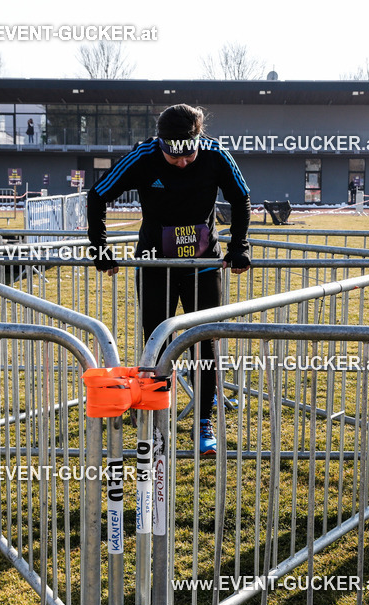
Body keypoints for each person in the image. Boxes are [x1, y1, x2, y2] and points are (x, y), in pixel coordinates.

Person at [87, 103, 251, 455]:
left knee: (204, 344)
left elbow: (241, 198)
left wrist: (239, 246)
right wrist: (100, 249)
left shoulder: (216, 154)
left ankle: (203, 421)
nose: (182, 163)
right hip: (155, 264)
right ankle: (155, 418)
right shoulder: (143, 155)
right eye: (173, 156)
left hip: (202, 265)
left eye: (189, 155)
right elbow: (97, 195)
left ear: (198, 139)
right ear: (160, 142)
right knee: (157, 343)